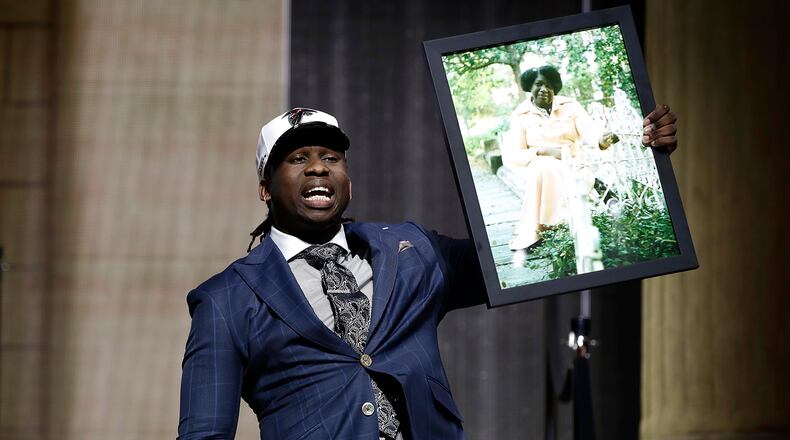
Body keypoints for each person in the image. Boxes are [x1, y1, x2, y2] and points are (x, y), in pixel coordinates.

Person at [177, 105, 677, 439]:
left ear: (347, 179)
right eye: (296, 159)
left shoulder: (409, 251)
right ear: (265, 187)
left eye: (331, 157)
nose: (317, 169)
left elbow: (512, 262)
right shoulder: (226, 301)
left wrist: (642, 150)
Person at [504, 65, 625, 251]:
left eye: (549, 85)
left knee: (551, 170)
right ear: (530, 87)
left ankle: (549, 229)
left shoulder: (569, 106)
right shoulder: (521, 115)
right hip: (541, 168)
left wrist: (601, 140)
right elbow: (514, 155)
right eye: (539, 84)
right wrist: (543, 151)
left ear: (555, 88)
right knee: (544, 167)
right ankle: (555, 226)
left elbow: (589, 129)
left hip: (574, 163)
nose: (544, 89)